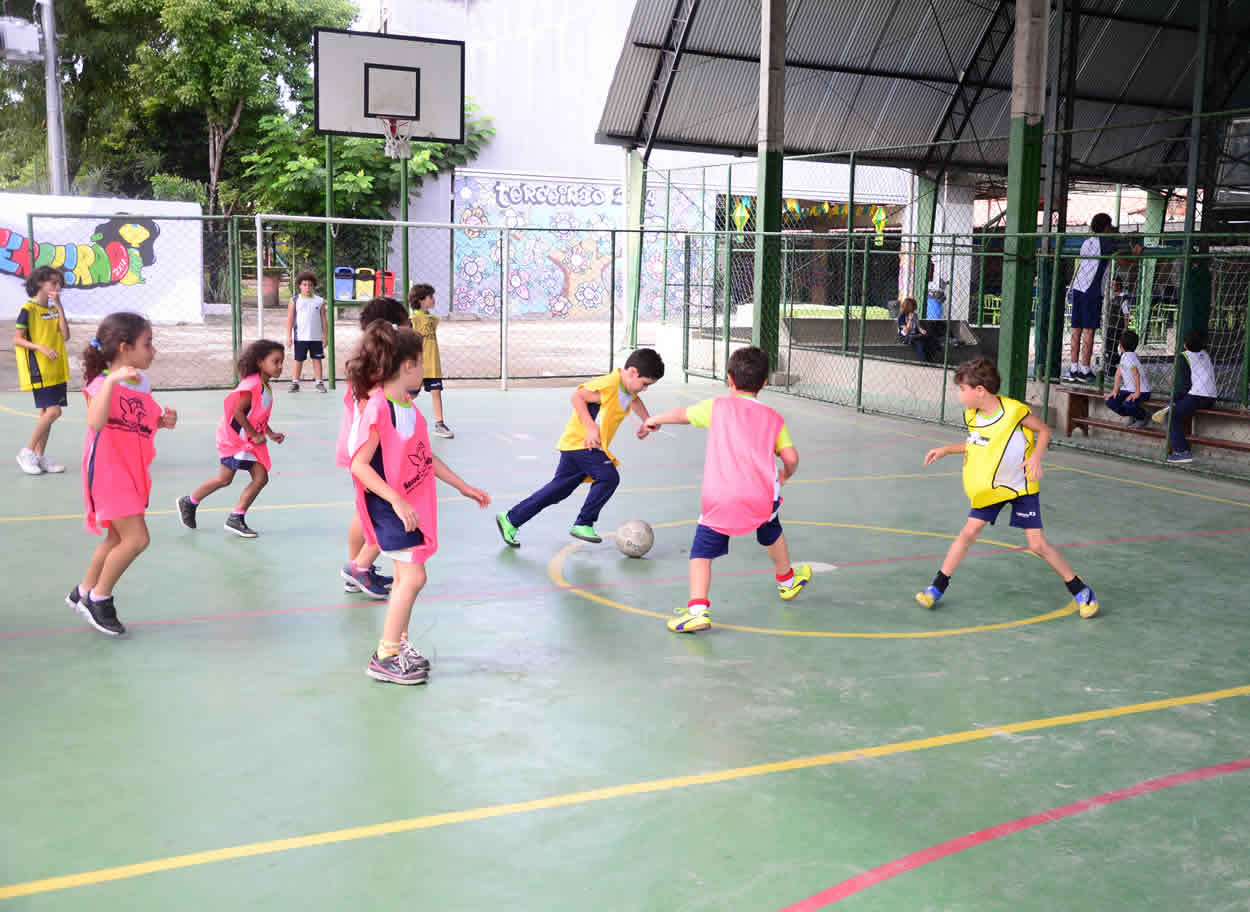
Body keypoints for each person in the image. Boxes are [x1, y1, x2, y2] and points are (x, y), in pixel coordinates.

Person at [346, 321, 490, 684]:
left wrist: (463, 486)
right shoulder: (379, 408)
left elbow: (425, 458)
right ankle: (385, 655)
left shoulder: (407, 405)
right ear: (407, 366)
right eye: (422, 364)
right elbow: (359, 465)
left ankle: (400, 644)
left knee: (403, 577)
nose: (425, 372)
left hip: (406, 503)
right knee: (414, 576)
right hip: (388, 505)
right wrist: (395, 500)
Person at [643, 346, 812, 633]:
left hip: (720, 497)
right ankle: (787, 580)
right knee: (771, 528)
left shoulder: (718, 407)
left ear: (729, 380)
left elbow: (683, 415)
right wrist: (785, 473)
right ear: (765, 383)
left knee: (701, 553)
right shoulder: (773, 418)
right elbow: (791, 457)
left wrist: (654, 420)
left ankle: (697, 610)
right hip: (761, 496)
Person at [915, 358, 1099, 619]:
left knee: (1036, 544)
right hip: (993, 488)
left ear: (979, 390)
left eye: (962, 388)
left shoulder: (1014, 411)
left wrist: (1036, 457)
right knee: (968, 533)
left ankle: (1082, 591)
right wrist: (947, 449)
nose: (959, 394)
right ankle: (937, 587)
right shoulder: (972, 416)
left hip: (1021, 485)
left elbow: (1044, 430)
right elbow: (977, 443)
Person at [68, 312, 178, 636]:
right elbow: (96, 422)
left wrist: (162, 420)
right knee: (137, 539)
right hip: (107, 470)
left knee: (117, 538)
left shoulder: (141, 383)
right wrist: (113, 381)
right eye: (148, 344)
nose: (153, 350)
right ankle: (99, 599)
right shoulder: (101, 383)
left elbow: (139, 419)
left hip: (130, 468)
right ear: (124, 347)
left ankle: (83, 591)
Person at [495, 348, 664, 547]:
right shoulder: (610, 384)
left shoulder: (628, 389)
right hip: (582, 443)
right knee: (609, 477)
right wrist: (591, 426)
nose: (644, 389)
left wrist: (646, 420)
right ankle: (584, 522)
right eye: (645, 384)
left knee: (557, 491)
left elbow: (633, 400)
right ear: (633, 372)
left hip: (578, 445)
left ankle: (511, 519)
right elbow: (577, 397)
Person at [338, 296, 411, 598]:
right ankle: (357, 569)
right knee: (375, 512)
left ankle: (358, 569)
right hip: (368, 450)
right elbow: (377, 413)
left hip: (361, 446)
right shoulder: (378, 368)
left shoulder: (368, 358)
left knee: (365, 511)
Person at [176, 340, 286, 538]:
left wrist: (269, 433)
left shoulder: (265, 386)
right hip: (235, 440)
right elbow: (238, 412)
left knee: (242, 478)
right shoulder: (253, 385)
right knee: (241, 478)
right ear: (260, 362)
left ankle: (210, 508)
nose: (280, 366)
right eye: (275, 361)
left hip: (245, 440)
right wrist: (253, 434)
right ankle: (215, 510)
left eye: (281, 362)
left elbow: (257, 415)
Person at [13, 265, 70, 475]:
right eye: (53, 283)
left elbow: (65, 336)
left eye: (59, 284)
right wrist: (40, 347)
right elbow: (17, 339)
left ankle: (39, 457)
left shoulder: (54, 309)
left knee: (46, 413)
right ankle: (27, 451)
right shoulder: (28, 310)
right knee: (54, 411)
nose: (58, 287)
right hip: (39, 369)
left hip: (56, 369)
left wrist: (60, 306)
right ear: (40, 283)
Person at [1063, 212, 1117, 383]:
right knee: (1089, 330)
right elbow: (1122, 260)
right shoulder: (1105, 242)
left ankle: (1073, 368)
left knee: (1076, 329)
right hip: (1092, 290)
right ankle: (1085, 369)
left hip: (1078, 287)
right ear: (1106, 227)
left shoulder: (1087, 241)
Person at [1151, 329, 1217, 465]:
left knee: (1171, 416)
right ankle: (1173, 404)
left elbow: (1186, 386)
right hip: (1210, 398)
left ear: (1185, 345)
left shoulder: (1184, 356)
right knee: (1178, 403)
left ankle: (1182, 451)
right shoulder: (1206, 354)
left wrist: (1177, 398)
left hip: (1196, 397)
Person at [408, 283, 453, 438]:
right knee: (410, 395)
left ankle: (439, 424)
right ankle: (398, 419)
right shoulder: (412, 320)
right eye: (430, 297)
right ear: (421, 300)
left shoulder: (433, 319)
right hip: (417, 365)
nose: (433, 299)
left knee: (436, 392)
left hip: (432, 365)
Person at [286, 270, 327, 392]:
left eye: (310, 285)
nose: (307, 287)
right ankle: (295, 383)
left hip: (316, 338)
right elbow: (290, 319)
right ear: (299, 285)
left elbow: (324, 320)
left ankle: (319, 382)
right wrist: (288, 336)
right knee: (298, 359)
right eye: (304, 284)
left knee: (317, 359)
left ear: (313, 286)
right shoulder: (294, 300)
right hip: (300, 337)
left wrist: (325, 336)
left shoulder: (319, 301)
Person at [1103, 329, 1151, 428]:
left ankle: (1143, 416)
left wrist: (1137, 393)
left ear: (1120, 346)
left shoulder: (1131, 358)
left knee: (1128, 404)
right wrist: (1114, 391)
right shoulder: (1124, 356)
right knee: (1110, 401)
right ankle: (1132, 414)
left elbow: (1136, 374)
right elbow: (1118, 374)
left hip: (1142, 391)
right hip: (1128, 389)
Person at [897, 296, 938, 362]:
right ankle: (923, 361)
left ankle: (931, 359)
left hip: (914, 335)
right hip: (905, 337)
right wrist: (910, 320)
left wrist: (922, 330)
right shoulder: (901, 317)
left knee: (929, 339)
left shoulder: (915, 315)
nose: (914, 309)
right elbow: (906, 331)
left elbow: (918, 326)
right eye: (912, 307)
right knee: (919, 343)